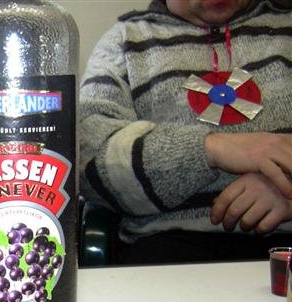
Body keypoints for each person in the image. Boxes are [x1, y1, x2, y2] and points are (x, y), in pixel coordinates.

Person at [79, 0, 292, 265]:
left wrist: (288, 190)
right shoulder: (124, 41)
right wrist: (211, 149)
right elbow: (89, 162)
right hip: (167, 251)